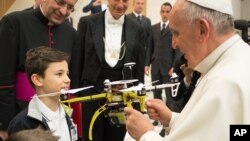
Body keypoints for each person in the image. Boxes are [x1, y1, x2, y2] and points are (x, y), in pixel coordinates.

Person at [124, 0, 250, 140]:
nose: (173, 44)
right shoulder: (236, 60)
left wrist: (145, 134)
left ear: (202, 30)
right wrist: (172, 120)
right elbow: (220, 131)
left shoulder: (225, 83)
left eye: (176, 33)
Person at [0, 0, 79, 136]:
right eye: (60, 3)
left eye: (70, 7)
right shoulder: (14, 22)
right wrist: (4, 123)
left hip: (58, 116)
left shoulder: (71, 33)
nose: (64, 11)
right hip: (20, 114)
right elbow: (3, 78)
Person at [71, 0, 145, 140]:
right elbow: (77, 58)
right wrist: (76, 94)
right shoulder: (87, 22)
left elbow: (139, 66)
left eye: (125, 1)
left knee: (117, 136)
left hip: (122, 96)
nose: (120, 5)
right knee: (92, 135)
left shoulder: (137, 28)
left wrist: (137, 98)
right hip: (92, 92)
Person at [7, 46, 77, 141]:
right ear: (37, 80)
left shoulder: (66, 115)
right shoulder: (21, 124)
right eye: (59, 74)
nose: (68, 80)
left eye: (67, 73)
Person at [144, 2, 176, 122]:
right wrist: (146, 64)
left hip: (168, 68)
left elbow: (177, 50)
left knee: (169, 96)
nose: (165, 14)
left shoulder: (173, 29)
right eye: (163, 11)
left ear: (171, 13)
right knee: (156, 95)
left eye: (167, 12)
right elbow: (149, 48)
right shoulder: (154, 28)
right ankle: (156, 118)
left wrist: (174, 66)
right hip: (156, 67)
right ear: (160, 12)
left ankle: (168, 120)